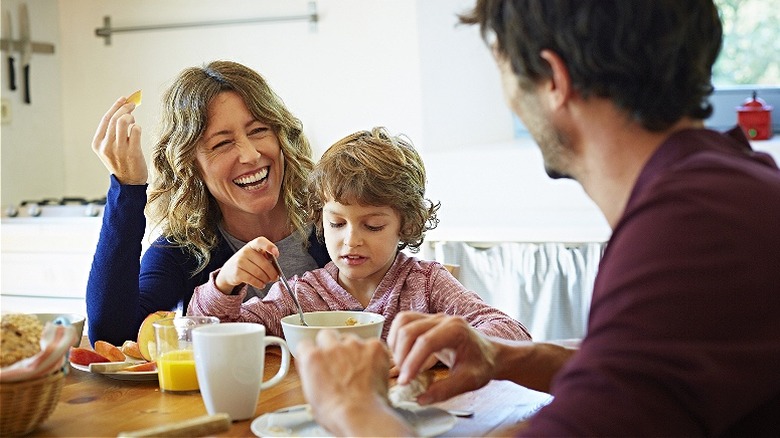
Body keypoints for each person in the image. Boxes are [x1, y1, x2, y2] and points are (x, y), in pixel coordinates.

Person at [294, 1, 780, 436]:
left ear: (553, 81)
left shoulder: (689, 235)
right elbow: (651, 370)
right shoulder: (725, 188)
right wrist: (507, 357)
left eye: (502, 69)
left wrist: (352, 410)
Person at [188, 127, 531, 345]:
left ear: (406, 224)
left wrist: (449, 343)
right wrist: (226, 284)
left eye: (373, 226)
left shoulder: (425, 285)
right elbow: (206, 334)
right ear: (319, 220)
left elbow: (511, 332)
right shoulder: (304, 295)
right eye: (337, 224)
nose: (351, 241)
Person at [86, 60, 330, 346]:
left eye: (258, 131)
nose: (250, 155)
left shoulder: (336, 224)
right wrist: (127, 189)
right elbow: (114, 336)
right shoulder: (184, 250)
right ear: (191, 165)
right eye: (222, 143)